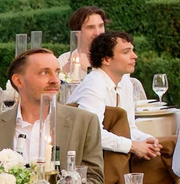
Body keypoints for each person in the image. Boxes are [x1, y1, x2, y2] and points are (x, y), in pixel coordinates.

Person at [0, 49, 106, 184]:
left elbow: (94, 179)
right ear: (18, 81)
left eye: (57, 72)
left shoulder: (84, 122)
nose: (55, 80)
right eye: (44, 73)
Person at [65, 30, 168, 174]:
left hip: (117, 154)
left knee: (170, 146)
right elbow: (93, 134)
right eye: (126, 52)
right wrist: (133, 146)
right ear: (106, 59)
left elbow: (130, 128)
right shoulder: (94, 84)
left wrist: (147, 140)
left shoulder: (125, 81)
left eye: (133, 50)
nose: (134, 56)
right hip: (91, 159)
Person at [59, 7, 107, 89]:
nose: (98, 32)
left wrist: (88, 69)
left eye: (101, 26)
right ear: (77, 33)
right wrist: (65, 71)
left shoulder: (113, 59)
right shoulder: (64, 59)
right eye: (90, 27)